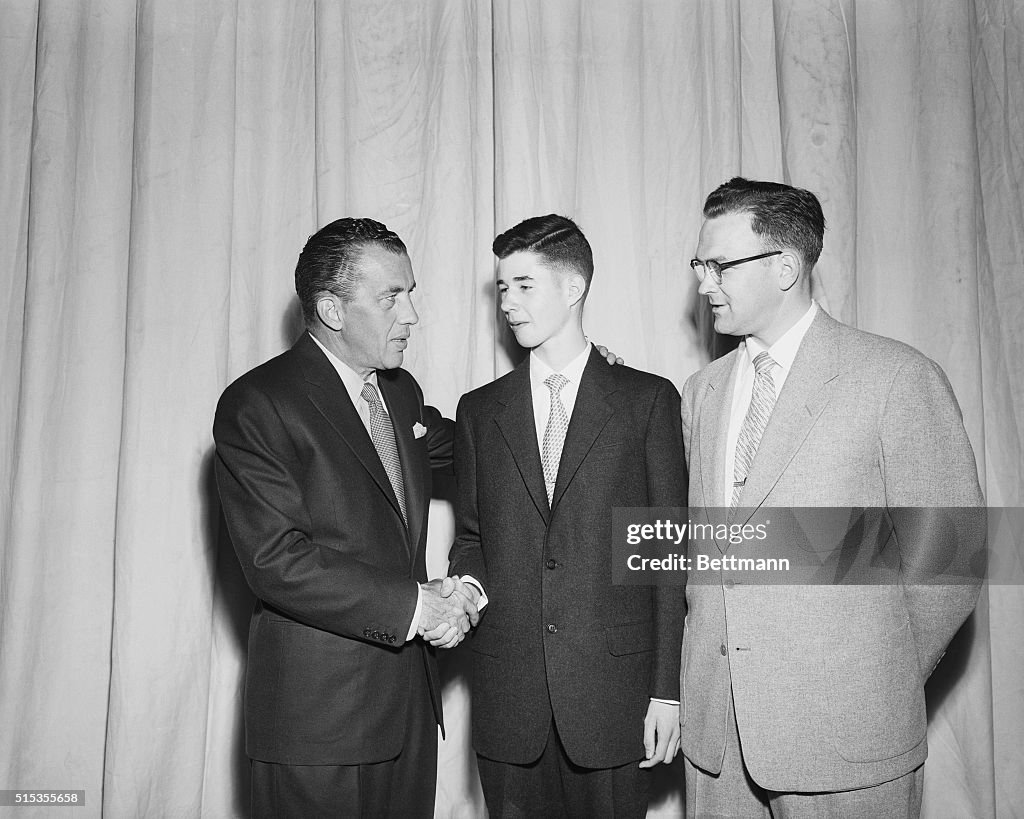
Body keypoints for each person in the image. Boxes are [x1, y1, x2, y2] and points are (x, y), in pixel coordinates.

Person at [679, 177, 985, 817]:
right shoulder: (701, 392)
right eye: (698, 265)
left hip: (847, 743)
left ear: (785, 266)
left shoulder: (896, 377)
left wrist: (875, 676)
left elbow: (950, 562)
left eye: (719, 265)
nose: (704, 283)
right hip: (718, 748)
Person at [213, 218, 480, 818]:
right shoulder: (258, 404)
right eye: (392, 297)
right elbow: (277, 562)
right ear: (331, 309)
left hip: (408, 716)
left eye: (410, 294)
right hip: (318, 729)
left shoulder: (401, 393)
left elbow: (479, 449)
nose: (411, 314)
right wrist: (417, 606)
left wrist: (569, 389)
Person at [448, 214, 688, 818]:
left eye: (524, 285)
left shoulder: (647, 400)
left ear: (574, 287)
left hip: (615, 695)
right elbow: (473, 538)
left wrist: (667, 690)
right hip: (509, 700)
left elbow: (668, 554)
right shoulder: (479, 411)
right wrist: (467, 587)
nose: (508, 303)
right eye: (502, 288)